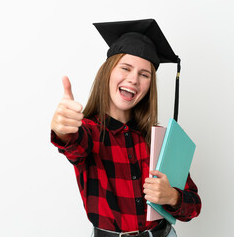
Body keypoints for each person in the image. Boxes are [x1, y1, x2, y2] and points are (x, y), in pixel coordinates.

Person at [50, 19, 201, 237]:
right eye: (126, 68)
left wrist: (172, 197)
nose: (133, 79)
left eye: (144, 74)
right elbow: (73, 144)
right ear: (108, 72)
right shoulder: (90, 132)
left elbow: (194, 204)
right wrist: (63, 129)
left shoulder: (159, 140)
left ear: (150, 85)